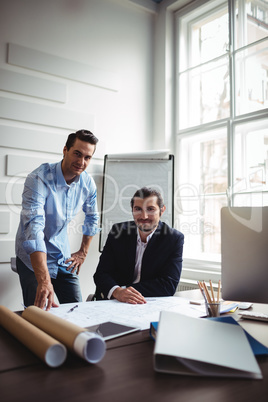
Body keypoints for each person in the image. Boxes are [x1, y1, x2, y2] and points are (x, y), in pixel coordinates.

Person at [15, 129, 100, 311]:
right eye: (77, 154)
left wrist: (83, 252)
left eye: (87, 157)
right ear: (65, 150)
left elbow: (93, 217)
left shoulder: (87, 183)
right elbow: (34, 228)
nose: (81, 162)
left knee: (77, 311)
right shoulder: (38, 179)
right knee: (38, 316)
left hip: (62, 256)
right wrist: (44, 281)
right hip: (33, 259)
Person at [93, 187, 184, 304]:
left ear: (162, 210)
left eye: (150, 209)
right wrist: (117, 292)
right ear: (132, 210)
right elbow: (101, 274)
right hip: (114, 302)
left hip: (148, 303)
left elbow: (168, 285)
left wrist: (125, 291)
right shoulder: (118, 231)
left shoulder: (173, 239)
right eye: (138, 209)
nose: (144, 216)